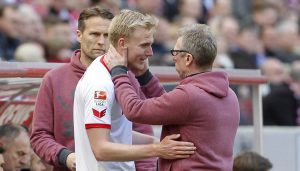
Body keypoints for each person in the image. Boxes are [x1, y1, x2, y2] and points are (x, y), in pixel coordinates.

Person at [73, 9, 196, 171]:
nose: (150, 53)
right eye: (144, 45)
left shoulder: (117, 73)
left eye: (151, 45)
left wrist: (156, 142)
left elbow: (116, 135)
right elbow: (101, 149)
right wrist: (157, 149)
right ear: (122, 44)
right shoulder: (99, 83)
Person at [108, 23, 240, 170]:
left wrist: (119, 72)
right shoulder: (230, 95)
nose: (173, 58)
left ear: (188, 59)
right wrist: (144, 76)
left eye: (175, 52)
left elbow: (134, 110)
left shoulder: (190, 96)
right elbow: (173, 106)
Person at [30, 6, 114, 171]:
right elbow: (39, 136)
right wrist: (65, 156)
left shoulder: (124, 78)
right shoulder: (54, 79)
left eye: (107, 35)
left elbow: (138, 130)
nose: (101, 41)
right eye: (94, 34)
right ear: (79, 35)